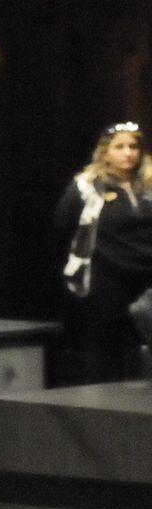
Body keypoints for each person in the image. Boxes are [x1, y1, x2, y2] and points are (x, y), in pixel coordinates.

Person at [54, 120, 152, 385]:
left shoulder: (150, 183)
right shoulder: (87, 186)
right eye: (119, 147)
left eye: (133, 146)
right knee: (106, 347)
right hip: (108, 276)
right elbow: (62, 223)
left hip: (147, 277)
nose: (128, 153)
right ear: (105, 151)